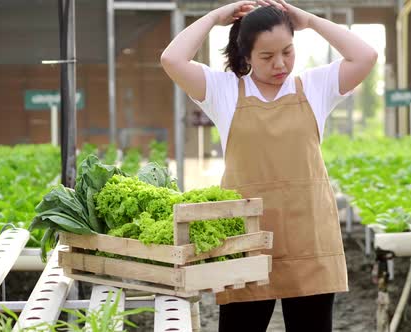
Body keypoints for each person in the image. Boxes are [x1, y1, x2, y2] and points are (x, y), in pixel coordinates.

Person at [161, 1, 377, 331]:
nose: (280, 64)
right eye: (266, 56)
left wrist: (310, 21)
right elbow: (172, 59)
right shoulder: (224, 91)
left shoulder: (315, 88)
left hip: (310, 241)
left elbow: (366, 56)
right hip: (246, 243)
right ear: (246, 56)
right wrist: (214, 18)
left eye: (287, 52)